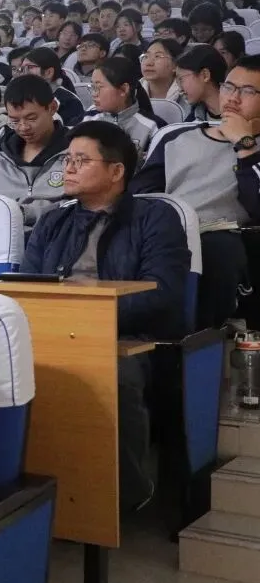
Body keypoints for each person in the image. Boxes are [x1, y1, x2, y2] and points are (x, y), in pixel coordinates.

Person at [22, 120, 190, 509]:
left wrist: (91, 322)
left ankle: (123, 494)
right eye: (67, 160)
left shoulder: (155, 218)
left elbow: (161, 294)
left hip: (127, 338)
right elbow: (29, 286)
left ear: (116, 171)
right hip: (56, 334)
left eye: (82, 161)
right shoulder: (53, 220)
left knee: (112, 374)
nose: (68, 168)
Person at [131, 54, 260, 329]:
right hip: (164, 230)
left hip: (221, 239)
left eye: (248, 91)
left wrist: (245, 145)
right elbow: (141, 194)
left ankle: (201, 341)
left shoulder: (253, 150)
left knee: (218, 249)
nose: (233, 98)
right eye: (229, 87)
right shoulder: (176, 137)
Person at [0, 75, 70, 230]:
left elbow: (82, 205)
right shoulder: (0, 158)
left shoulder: (75, 153)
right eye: (15, 121)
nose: (23, 127)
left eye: (31, 118)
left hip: (55, 235)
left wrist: (24, 213)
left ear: (52, 108)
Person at [83, 57, 164, 159]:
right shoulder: (88, 118)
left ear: (124, 89)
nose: (94, 94)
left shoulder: (153, 127)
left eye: (99, 87)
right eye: (92, 87)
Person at [20, 48, 85, 126]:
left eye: (30, 67)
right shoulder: (21, 95)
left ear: (49, 72)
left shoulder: (69, 102)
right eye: (22, 69)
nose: (24, 73)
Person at [177, 45, 226, 122]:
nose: (180, 89)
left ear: (205, 75)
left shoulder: (241, 115)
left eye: (181, 79)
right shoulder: (192, 119)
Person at [141, 38, 187, 108]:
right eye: (146, 56)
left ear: (175, 65)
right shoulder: (132, 93)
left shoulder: (187, 94)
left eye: (157, 56)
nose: (148, 63)